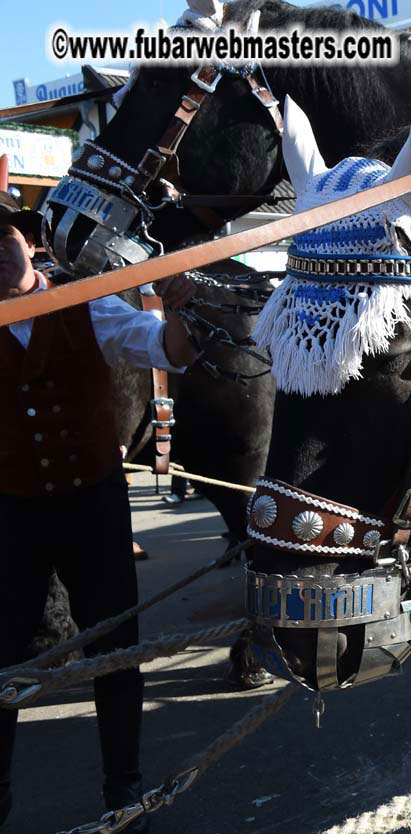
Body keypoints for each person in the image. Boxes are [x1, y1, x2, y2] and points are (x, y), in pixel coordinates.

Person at [0, 192, 197, 831]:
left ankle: (124, 785)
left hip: (94, 507)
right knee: (3, 661)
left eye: (1, 237)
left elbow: (167, 349)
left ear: (27, 242)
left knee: (116, 649)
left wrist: (184, 304)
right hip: (11, 518)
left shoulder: (88, 302)